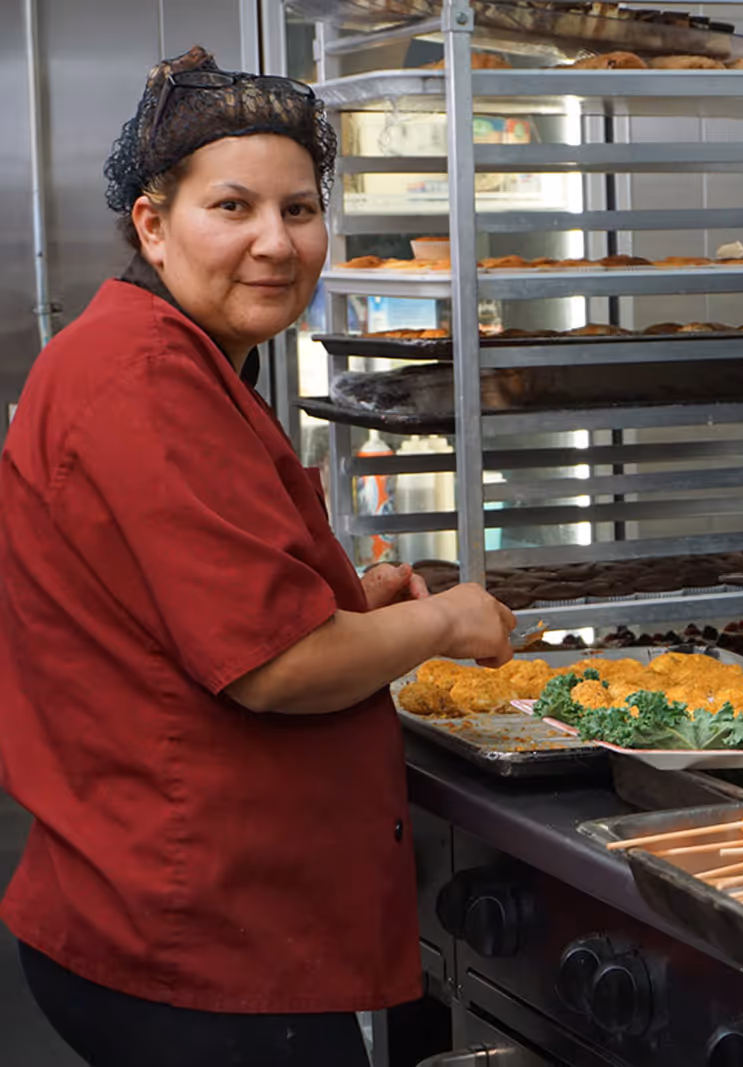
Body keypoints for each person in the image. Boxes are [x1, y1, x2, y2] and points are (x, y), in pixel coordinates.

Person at [0, 46, 516, 1067]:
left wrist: (343, 601)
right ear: (153, 222)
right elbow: (273, 667)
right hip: (201, 942)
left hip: (141, 904)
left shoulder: (149, 354)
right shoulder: (147, 382)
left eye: (299, 209)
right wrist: (443, 621)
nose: (275, 243)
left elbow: (173, 604)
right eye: (231, 207)